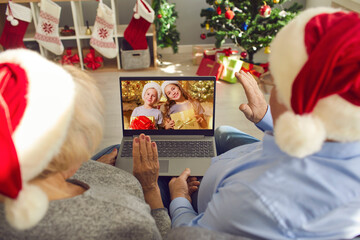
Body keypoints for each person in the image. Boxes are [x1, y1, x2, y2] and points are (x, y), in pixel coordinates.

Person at [135, 7, 360, 239]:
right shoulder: (346, 133)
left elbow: (185, 233)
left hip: (199, 199)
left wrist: (177, 196)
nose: (270, 89)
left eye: (273, 81)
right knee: (222, 132)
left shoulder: (254, 199)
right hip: (235, 165)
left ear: (297, 103)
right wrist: (267, 117)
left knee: (136, 165)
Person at [0, 49, 170, 239]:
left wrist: (91, 166)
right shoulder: (126, 216)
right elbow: (161, 235)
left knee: (114, 149)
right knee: (165, 180)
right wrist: (150, 188)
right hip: (134, 193)